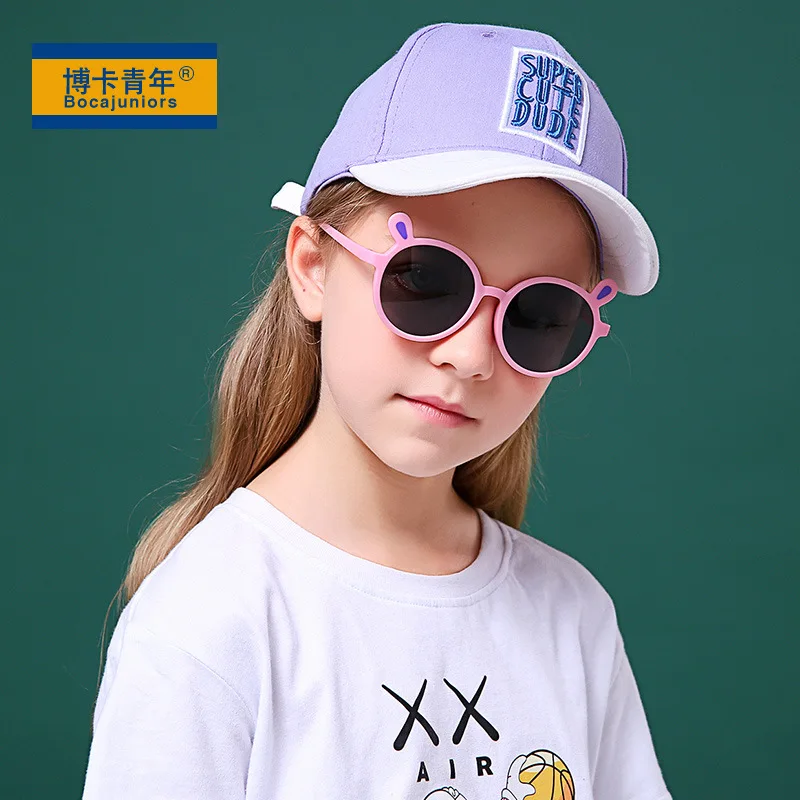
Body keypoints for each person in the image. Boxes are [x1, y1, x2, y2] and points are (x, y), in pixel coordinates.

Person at [82, 21, 672, 800]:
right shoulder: (209, 619)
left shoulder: (572, 616)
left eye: (537, 315)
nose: (470, 354)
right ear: (313, 267)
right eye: (425, 281)